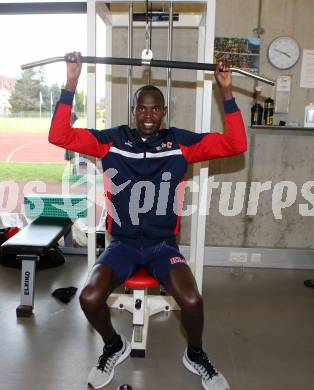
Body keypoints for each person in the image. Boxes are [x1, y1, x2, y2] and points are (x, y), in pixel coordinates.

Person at [49, 51, 247, 390]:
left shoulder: (181, 144)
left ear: (164, 112)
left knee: (192, 301)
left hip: (160, 246)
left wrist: (226, 91)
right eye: (142, 108)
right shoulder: (112, 141)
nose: (149, 116)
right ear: (134, 110)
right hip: (123, 244)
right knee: (89, 297)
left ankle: (196, 355)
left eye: (156, 109)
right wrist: (71, 81)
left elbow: (235, 143)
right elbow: (60, 136)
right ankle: (114, 345)